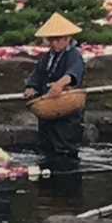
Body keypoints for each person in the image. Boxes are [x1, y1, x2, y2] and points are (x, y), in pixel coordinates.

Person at [24, 13, 87, 162]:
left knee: (65, 148)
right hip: (48, 108)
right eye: (51, 40)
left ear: (67, 38)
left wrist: (60, 84)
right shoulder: (47, 57)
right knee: (46, 146)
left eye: (58, 40)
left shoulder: (73, 55)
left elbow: (73, 72)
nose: (54, 43)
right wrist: (31, 87)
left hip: (67, 112)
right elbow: (38, 74)